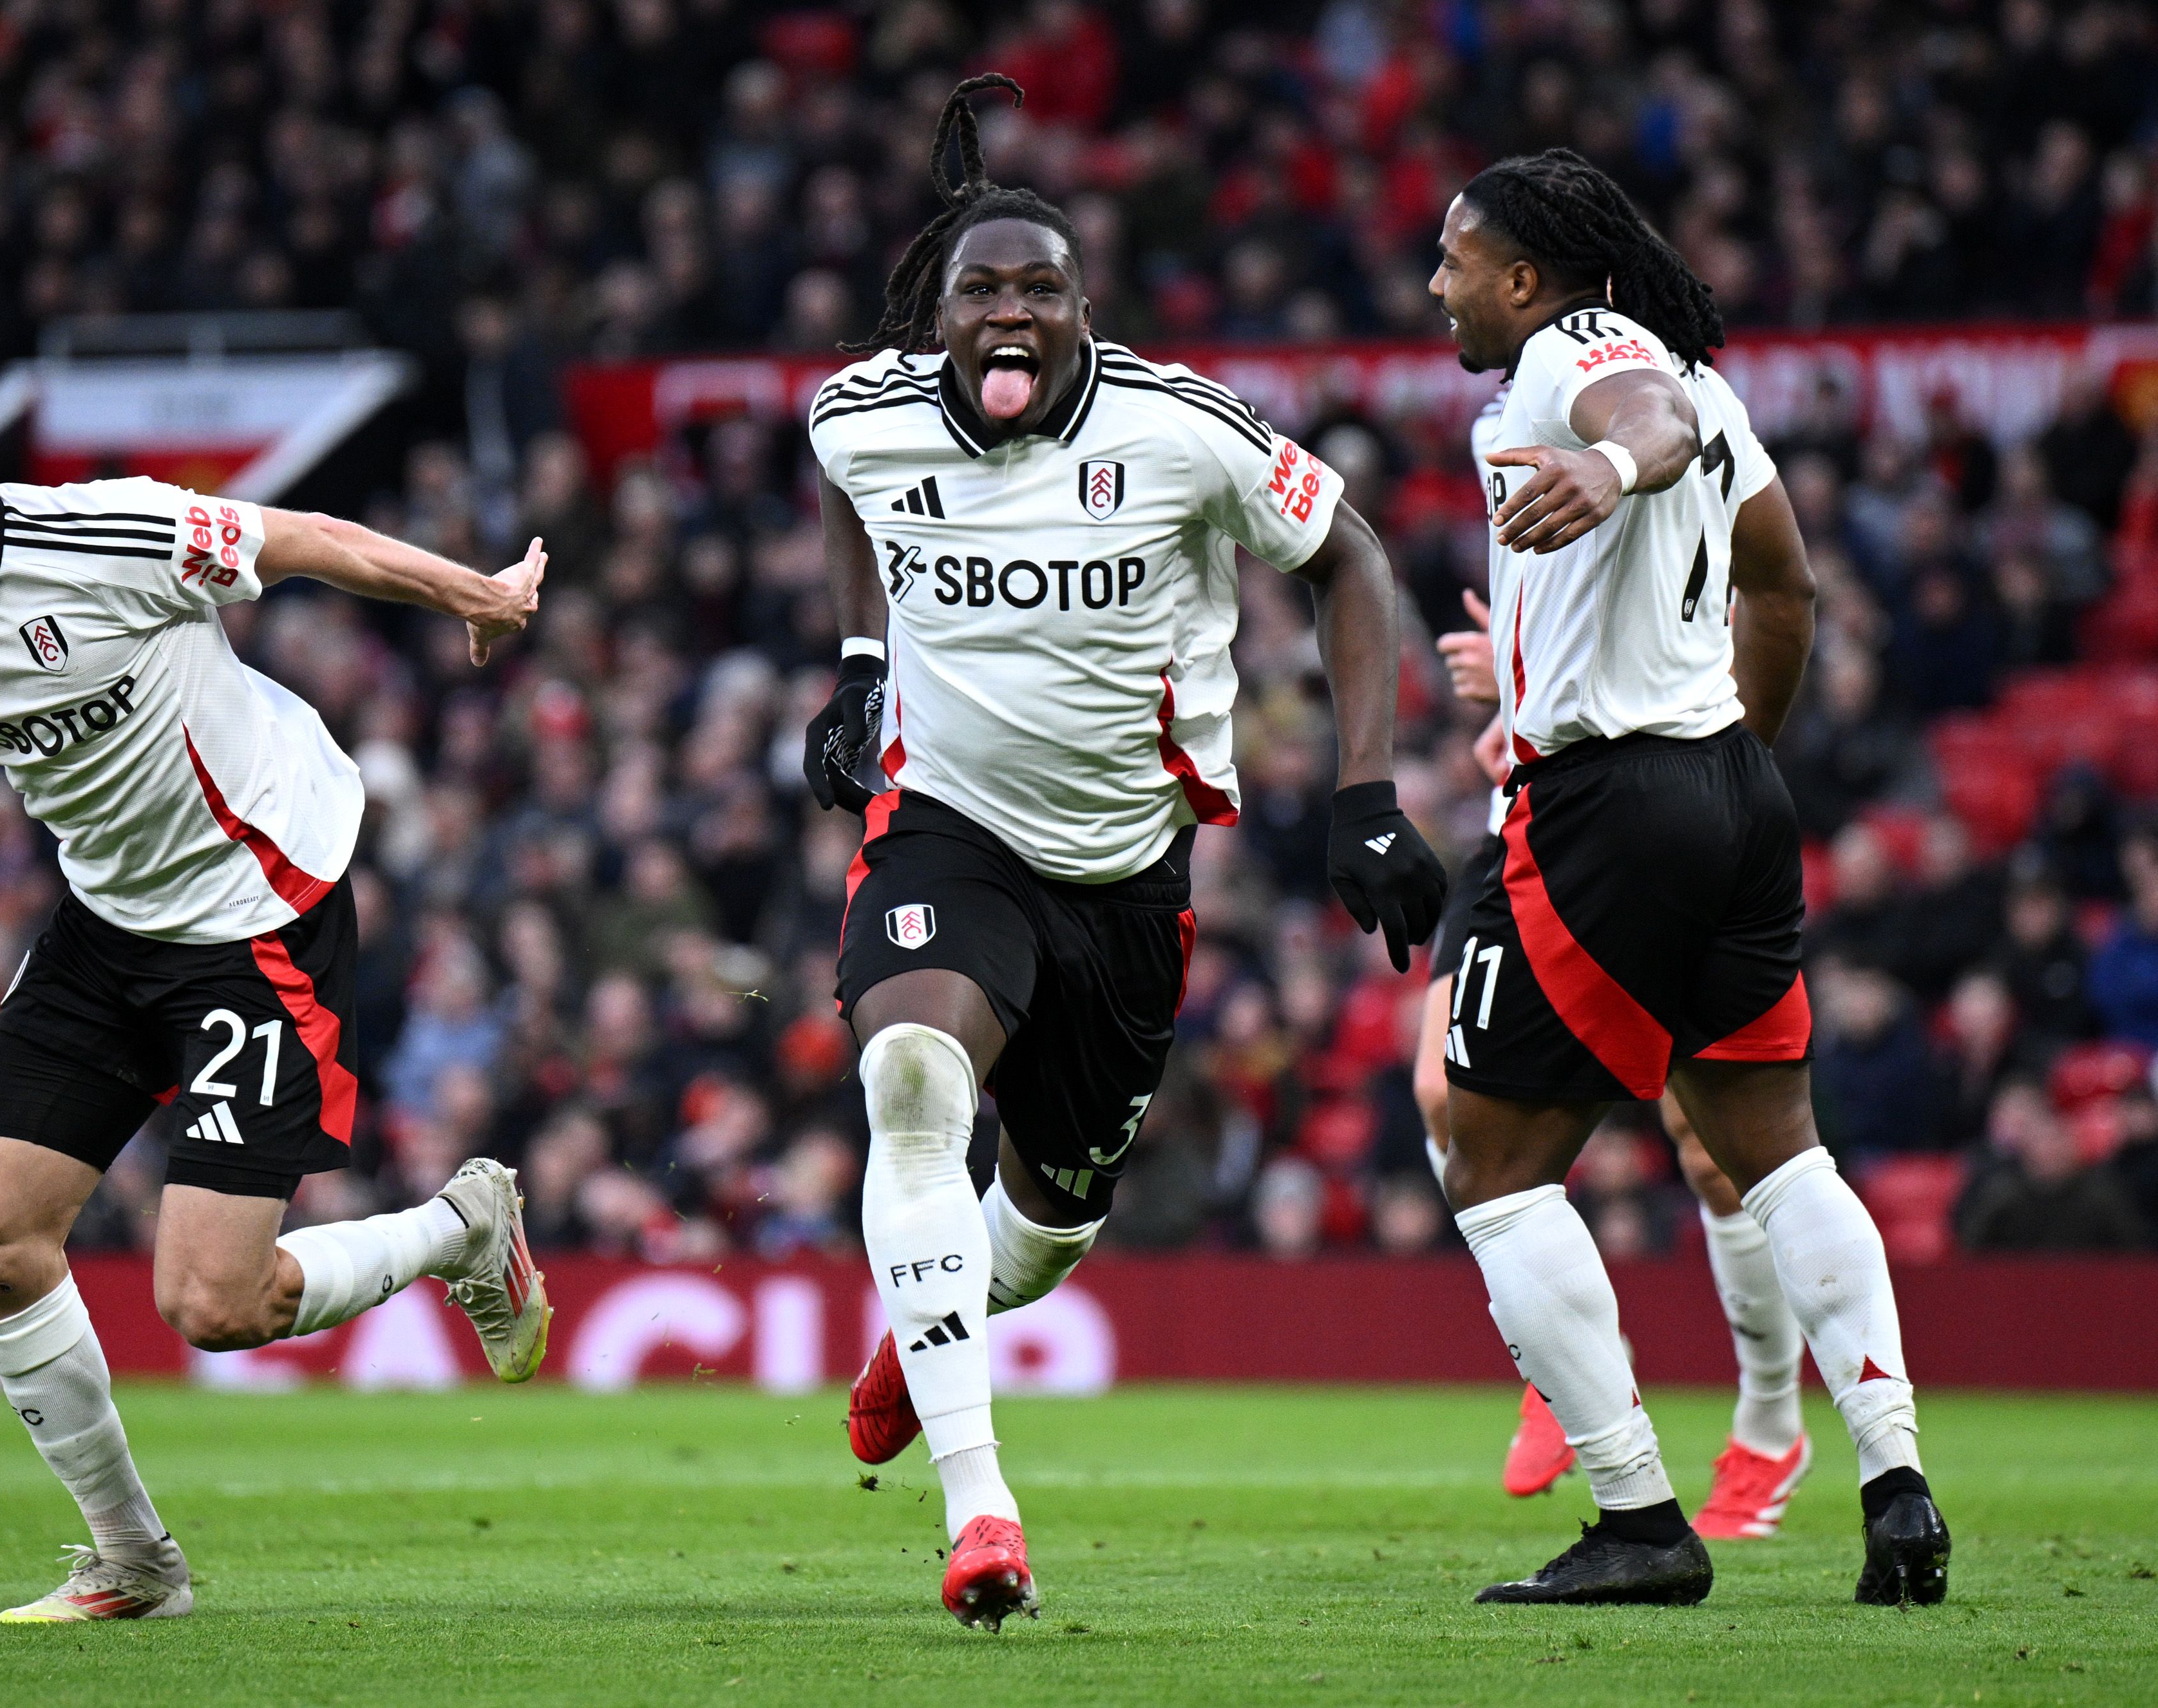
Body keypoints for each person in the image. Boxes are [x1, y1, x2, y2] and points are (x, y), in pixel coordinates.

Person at [0, 354, 552, 1623]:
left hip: (258, 903)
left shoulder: (105, 531)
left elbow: (296, 538)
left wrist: (475, 594)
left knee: (211, 1305)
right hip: (107, 915)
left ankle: (464, 1230)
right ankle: (133, 1562)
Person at [802, 77, 1446, 1630]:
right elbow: (851, 498)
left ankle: (922, 1330)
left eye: (1042, 289)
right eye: (983, 289)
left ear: (1086, 308)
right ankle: (982, 1514)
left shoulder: (1180, 429)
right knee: (908, 1085)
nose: (1010, 312)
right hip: (946, 829)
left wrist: (1369, 793)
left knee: (1049, 1224)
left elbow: (1349, 559)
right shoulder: (859, 412)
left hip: (1129, 870)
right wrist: (857, 660)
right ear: (939, 316)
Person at [1424, 149, 1945, 1607]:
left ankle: (1641, 1521)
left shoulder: (1582, 359)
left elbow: (1630, 419)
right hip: (1725, 787)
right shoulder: (1715, 392)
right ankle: (1897, 1487)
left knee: (1494, 1166)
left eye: (1457, 259)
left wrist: (1603, 460)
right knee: (1779, 1148)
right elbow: (1784, 588)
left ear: (1526, 278)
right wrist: (1734, 767)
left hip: (1603, 803)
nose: (1436, 284)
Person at [1421, 603, 1813, 1541]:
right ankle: (1567, 1371)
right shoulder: (1499, 454)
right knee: (1444, 1094)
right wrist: (1511, 676)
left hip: (1661, 813)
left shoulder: (1676, 459)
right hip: (1523, 819)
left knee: (1713, 1146)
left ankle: (1769, 1422)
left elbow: (1751, 606)